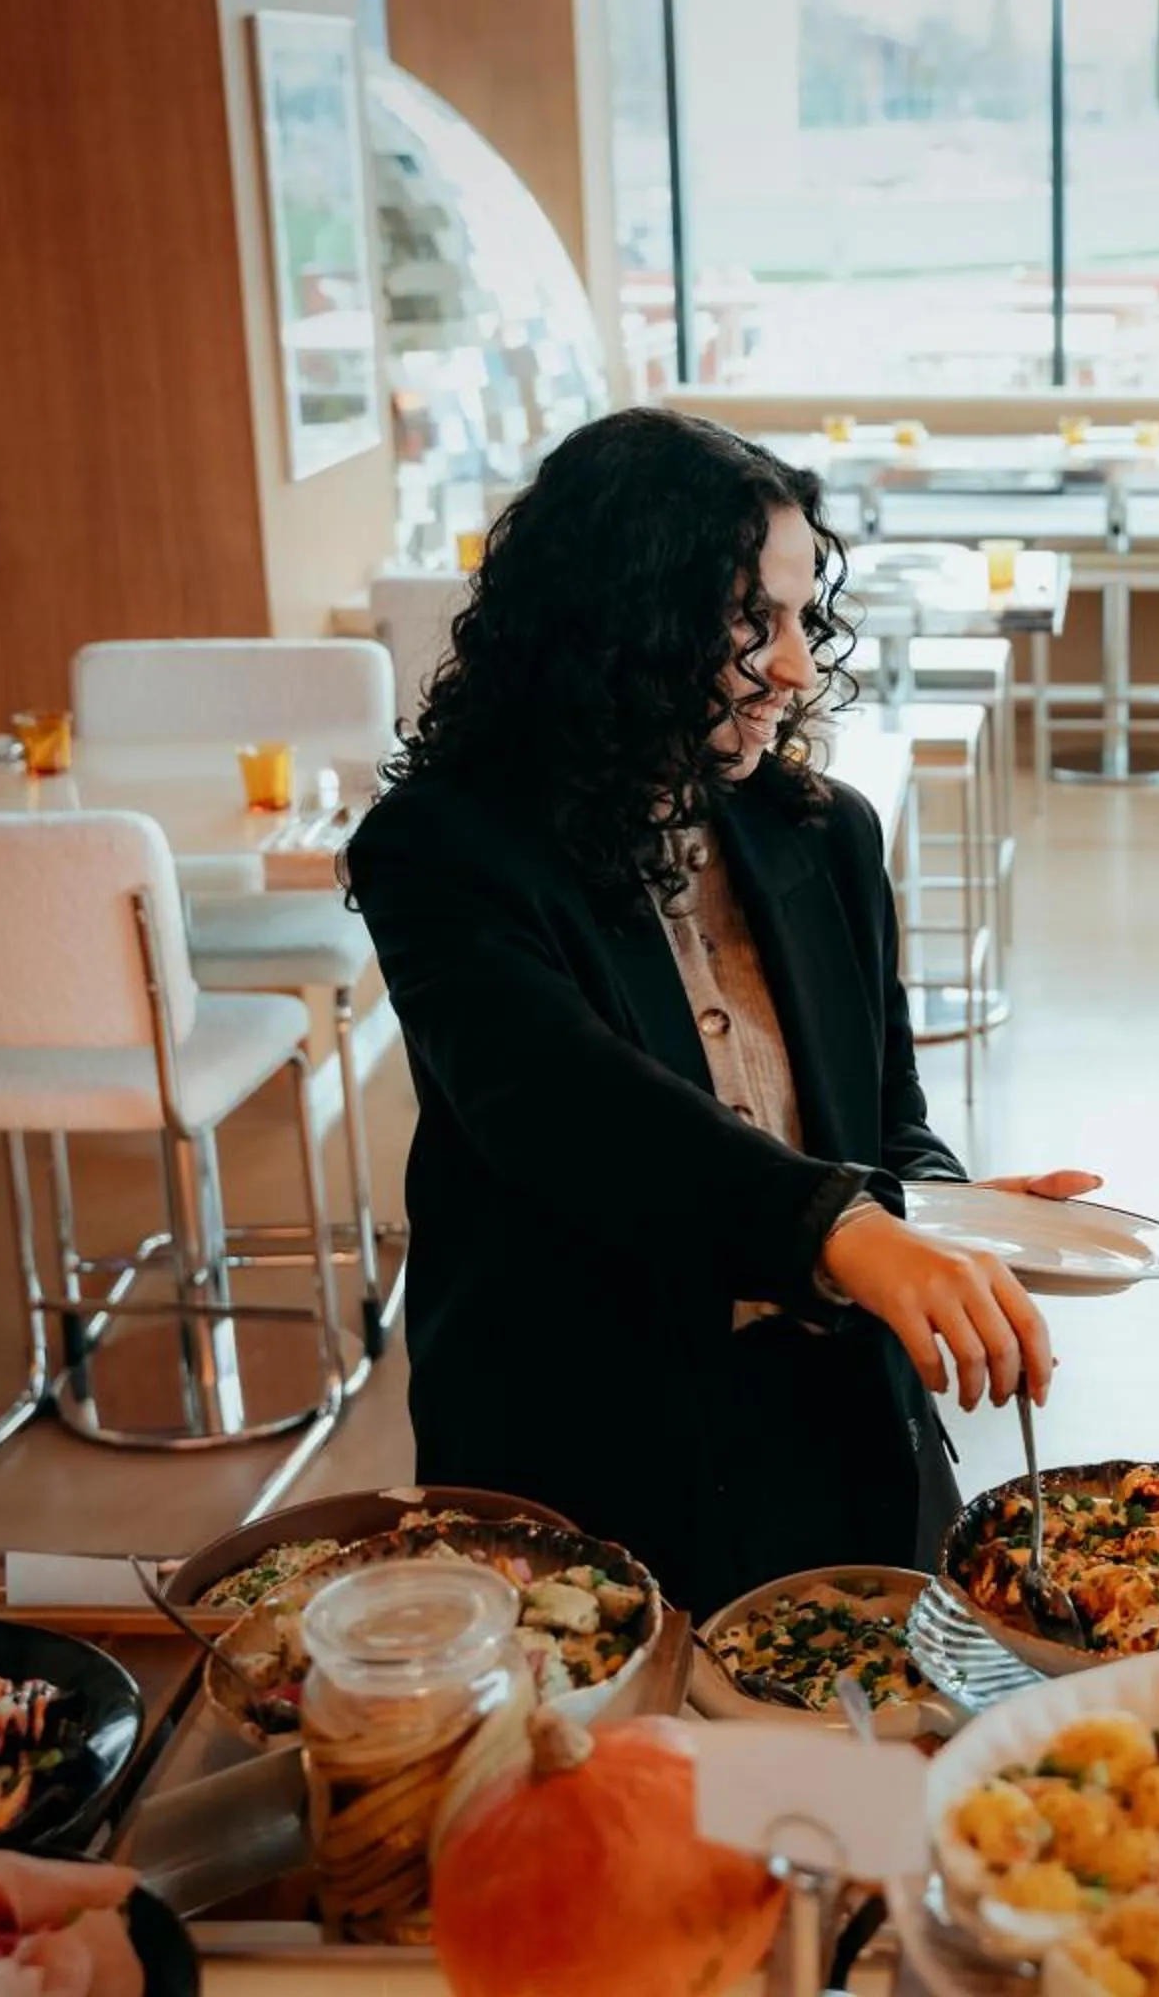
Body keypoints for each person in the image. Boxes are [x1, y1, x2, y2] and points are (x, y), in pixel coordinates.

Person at [346, 407, 1092, 1611]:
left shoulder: (822, 834)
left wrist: (945, 1217)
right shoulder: (441, 852)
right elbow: (570, 1106)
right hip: (590, 1461)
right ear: (620, 621)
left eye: (801, 620)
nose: (796, 667)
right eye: (753, 624)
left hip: (838, 1432)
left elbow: (883, 1121)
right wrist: (847, 1229)